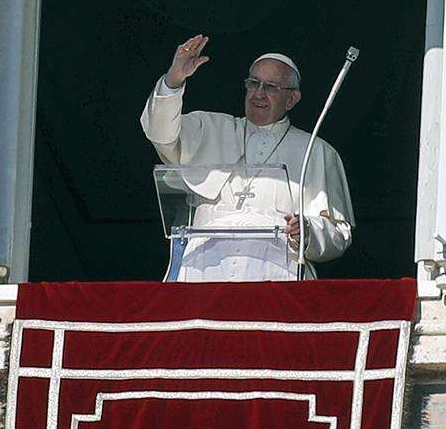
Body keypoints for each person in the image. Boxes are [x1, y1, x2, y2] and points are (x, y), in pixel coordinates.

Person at [141, 34, 354, 281]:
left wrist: (308, 231)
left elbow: (338, 233)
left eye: (271, 87)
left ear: (292, 99)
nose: (258, 94)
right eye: (253, 83)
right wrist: (174, 80)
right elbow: (158, 132)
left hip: (276, 273)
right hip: (203, 270)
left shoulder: (317, 151)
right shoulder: (209, 128)